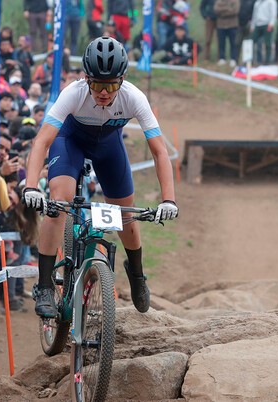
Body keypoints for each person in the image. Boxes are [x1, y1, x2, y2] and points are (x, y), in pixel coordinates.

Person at [23, 37, 178, 318]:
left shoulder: (135, 97)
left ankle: (137, 273)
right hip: (71, 142)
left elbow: (159, 152)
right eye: (96, 84)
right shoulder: (74, 93)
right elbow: (42, 142)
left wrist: (169, 200)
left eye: (111, 85)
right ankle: (45, 285)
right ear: (85, 78)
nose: (104, 92)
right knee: (59, 203)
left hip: (109, 148)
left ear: (122, 80)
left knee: (123, 214)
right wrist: (31, 187)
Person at [250, 0, 277, 65]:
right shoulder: (257, 2)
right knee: (251, 41)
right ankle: (250, 60)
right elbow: (254, 15)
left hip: (267, 24)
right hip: (258, 25)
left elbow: (273, 14)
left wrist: (271, 23)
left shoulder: (271, 2)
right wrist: (252, 26)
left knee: (268, 43)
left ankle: (267, 61)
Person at [214, 0, 240, 67]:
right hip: (221, 25)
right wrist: (228, 8)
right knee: (221, 43)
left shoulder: (235, 1)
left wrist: (222, 11)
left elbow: (235, 11)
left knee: (233, 43)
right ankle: (222, 58)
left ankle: (233, 59)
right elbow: (216, 10)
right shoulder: (219, 1)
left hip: (232, 25)